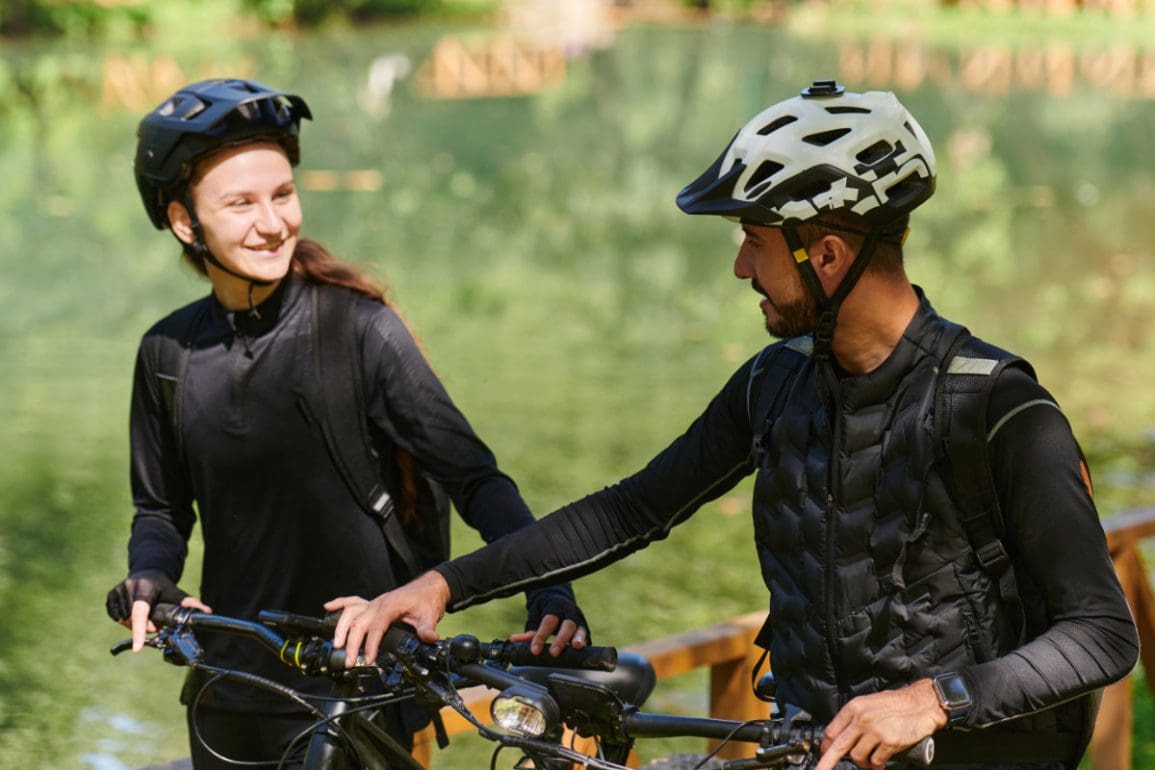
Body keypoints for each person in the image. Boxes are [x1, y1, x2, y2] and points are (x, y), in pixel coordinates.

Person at [325, 81, 1140, 770]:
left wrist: (932, 701)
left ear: (825, 254)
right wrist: (441, 586)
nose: (741, 268)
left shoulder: (997, 409)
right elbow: (633, 509)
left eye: (754, 242)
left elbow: (1103, 635)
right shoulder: (775, 384)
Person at [104, 78, 588, 769]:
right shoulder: (167, 353)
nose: (272, 223)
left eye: (282, 194)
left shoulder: (356, 329)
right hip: (231, 688)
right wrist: (148, 577)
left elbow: (475, 480)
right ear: (185, 222)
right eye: (240, 203)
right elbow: (159, 508)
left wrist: (550, 590)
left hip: (360, 689)